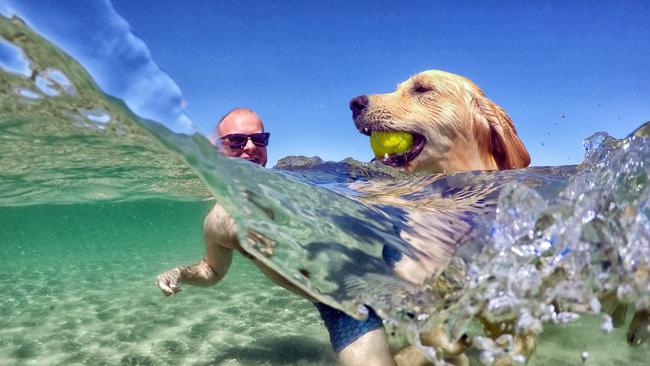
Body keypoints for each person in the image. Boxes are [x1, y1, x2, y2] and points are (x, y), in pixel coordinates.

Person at [156, 107, 405, 366]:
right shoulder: (218, 222)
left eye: (259, 139)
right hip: (341, 302)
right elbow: (211, 270)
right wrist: (179, 273)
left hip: (392, 262)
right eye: (237, 140)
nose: (251, 147)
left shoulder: (302, 178)